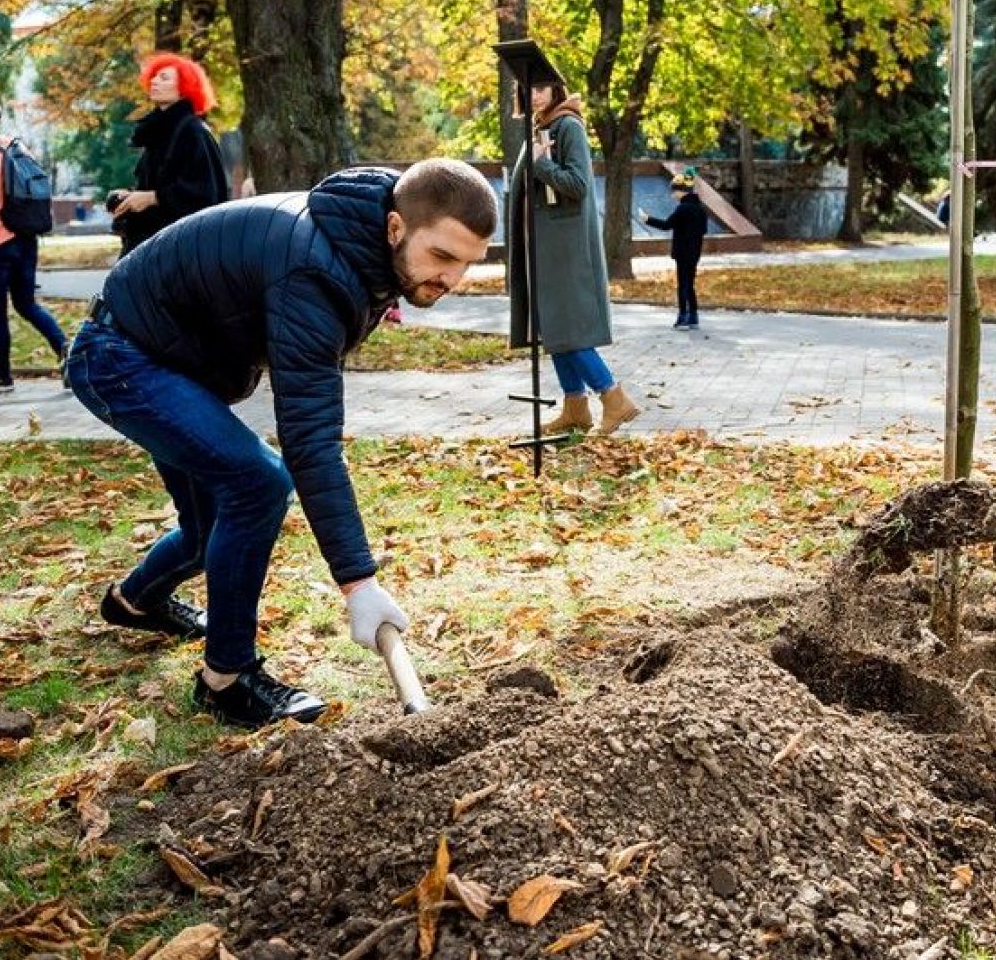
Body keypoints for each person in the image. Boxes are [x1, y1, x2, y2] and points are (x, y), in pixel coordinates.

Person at [67, 159, 497, 728]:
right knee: (258, 482)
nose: (452, 281)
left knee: (207, 528)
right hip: (123, 358)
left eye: (466, 264)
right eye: (441, 257)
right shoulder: (315, 273)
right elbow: (311, 441)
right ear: (396, 227)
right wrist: (358, 582)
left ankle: (134, 602)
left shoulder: (357, 242)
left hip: (168, 358)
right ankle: (227, 679)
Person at [507, 79, 640, 436]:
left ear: (555, 91)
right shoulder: (542, 126)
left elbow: (578, 185)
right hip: (547, 246)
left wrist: (541, 165)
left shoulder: (568, 125)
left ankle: (614, 399)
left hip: (565, 248)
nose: (533, 95)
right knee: (554, 329)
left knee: (570, 331)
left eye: (540, 88)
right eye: (527, 90)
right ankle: (575, 407)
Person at [0, 95, 68, 393]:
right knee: (26, 303)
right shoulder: (16, 145)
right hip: (25, 238)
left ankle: (1, 374)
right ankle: (65, 349)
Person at [107, 53, 231, 255]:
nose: (154, 81)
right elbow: (158, 184)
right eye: (153, 77)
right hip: (150, 244)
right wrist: (131, 196)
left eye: (164, 78)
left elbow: (206, 194)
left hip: (180, 251)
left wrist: (153, 198)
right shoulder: (159, 132)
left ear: (185, 88)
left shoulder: (194, 132)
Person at [639, 168, 709, 329]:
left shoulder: (683, 209)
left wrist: (647, 219)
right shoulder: (700, 209)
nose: (673, 195)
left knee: (682, 284)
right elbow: (703, 230)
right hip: (695, 252)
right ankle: (693, 316)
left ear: (681, 191)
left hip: (682, 252)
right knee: (690, 284)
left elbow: (666, 225)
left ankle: (682, 317)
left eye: (674, 191)